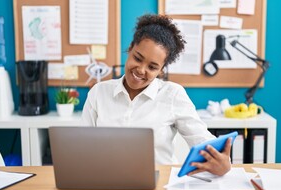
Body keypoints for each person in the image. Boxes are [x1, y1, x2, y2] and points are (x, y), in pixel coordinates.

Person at [82, 14, 232, 176]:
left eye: (152, 67)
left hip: (160, 186)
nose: (140, 70)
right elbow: (80, 145)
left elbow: (202, 140)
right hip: (106, 180)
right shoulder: (99, 92)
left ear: (161, 70)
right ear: (131, 48)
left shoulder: (173, 95)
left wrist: (223, 163)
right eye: (138, 58)